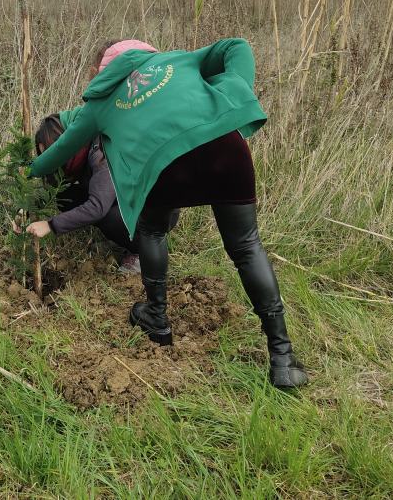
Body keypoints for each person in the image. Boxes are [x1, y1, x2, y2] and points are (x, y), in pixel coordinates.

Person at [25, 38, 308, 388]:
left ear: (104, 73)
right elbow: (237, 47)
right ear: (146, 55)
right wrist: (234, 90)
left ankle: (157, 318)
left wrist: (30, 171)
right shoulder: (179, 61)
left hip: (165, 167)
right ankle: (282, 358)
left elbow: (61, 150)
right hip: (225, 145)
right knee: (246, 246)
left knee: (152, 231)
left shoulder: (103, 102)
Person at [28, 109, 179, 274]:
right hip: (129, 200)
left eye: (52, 153)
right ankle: (127, 237)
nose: (51, 162)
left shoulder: (102, 149)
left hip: (157, 209)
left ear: (65, 141)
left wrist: (50, 225)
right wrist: (28, 206)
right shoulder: (80, 152)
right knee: (65, 196)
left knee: (108, 216)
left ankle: (142, 251)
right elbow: (52, 188)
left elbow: (97, 207)